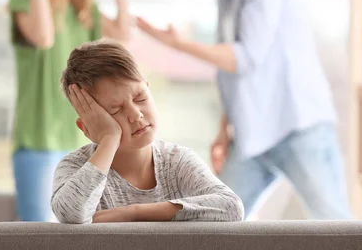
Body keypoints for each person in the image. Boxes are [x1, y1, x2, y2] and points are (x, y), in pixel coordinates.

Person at [136, 0, 353, 220]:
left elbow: (246, 57)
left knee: (337, 227)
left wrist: (178, 45)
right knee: (214, 221)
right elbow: (230, 68)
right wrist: (225, 128)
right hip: (253, 134)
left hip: (296, 126)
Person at [9, 0, 132, 222]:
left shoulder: (84, 10)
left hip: (79, 141)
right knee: (39, 237)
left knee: (80, 233)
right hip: (37, 141)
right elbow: (44, 37)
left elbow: (124, 35)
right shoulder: (24, 0)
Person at [51, 40, 244, 224]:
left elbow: (231, 207)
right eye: (115, 111)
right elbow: (72, 214)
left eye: (140, 97)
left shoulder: (176, 161)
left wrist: (133, 213)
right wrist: (109, 139)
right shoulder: (75, 166)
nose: (136, 115)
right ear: (86, 128)